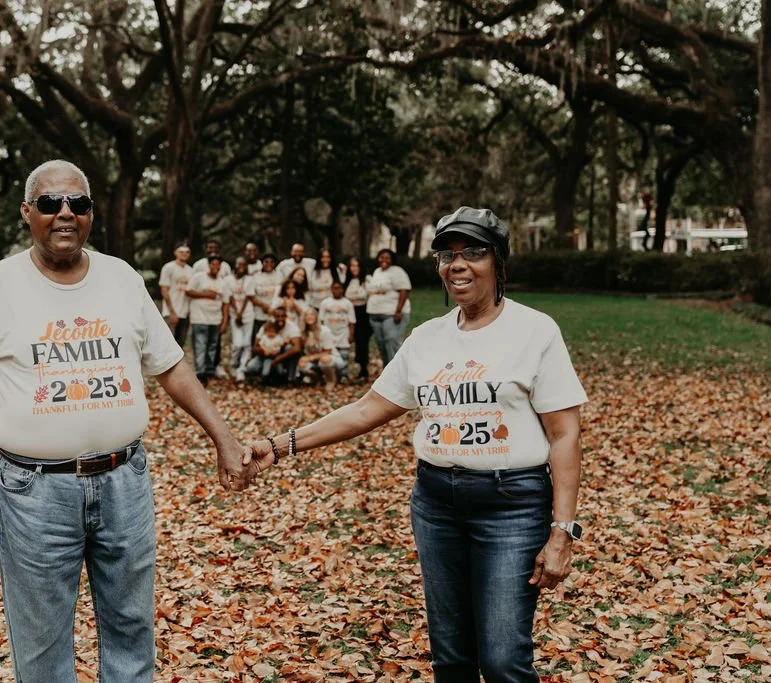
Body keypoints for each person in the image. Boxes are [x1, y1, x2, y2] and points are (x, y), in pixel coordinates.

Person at [0, 160, 252, 683]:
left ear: (90, 214)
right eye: (50, 203)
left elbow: (170, 365)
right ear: (27, 213)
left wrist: (223, 436)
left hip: (124, 483)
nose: (65, 214)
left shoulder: (121, 278)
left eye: (78, 205)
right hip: (34, 492)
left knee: (131, 632)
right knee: (41, 647)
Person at [246, 206, 587, 683]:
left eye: (473, 251)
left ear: (499, 262)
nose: (458, 264)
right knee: (451, 660)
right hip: (436, 505)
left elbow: (565, 433)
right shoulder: (427, 339)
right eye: (447, 255)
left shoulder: (535, 331)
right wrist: (280, 444)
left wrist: (561, 532)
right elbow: (367, 408)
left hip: (511, 505)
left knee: (504, 660)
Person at [185, 254, 230, 385]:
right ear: (209, 265)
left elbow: (226, 303)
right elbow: (188, 291)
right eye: (213, 264)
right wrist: (206, 294)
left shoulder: (223, 282)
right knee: (200, 345)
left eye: (218, 265)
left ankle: (209, 371)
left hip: (215, 319)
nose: (215, 267)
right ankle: (200, 373)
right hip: (199, 318)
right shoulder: (199, 277)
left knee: (212, 346)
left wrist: (225, 321)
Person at [366, 248, 411, 367]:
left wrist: (398, 311)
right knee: (381, 343)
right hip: (375, 314)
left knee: (391, 341)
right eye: (381, 257)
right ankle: (387, 371)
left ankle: (400, 370)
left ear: (392, 260)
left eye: (387, 258)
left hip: (391, 314)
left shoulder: (397, 271)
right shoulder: (377, 271)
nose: (384, 260)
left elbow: (404, 290)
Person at [243, 306, 302, 386]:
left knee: (289, 348)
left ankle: (290, 378)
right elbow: (255, 347)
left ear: (286, 316)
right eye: (277, 316)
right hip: (264, 355)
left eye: (282, 316)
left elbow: (297, 348)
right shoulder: (267, 326)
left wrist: (277, 359)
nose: (280, 319)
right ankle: (260, 378)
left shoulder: (292, 327)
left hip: (281, 356)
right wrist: (264, 351)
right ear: (273, 317)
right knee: (251, 368)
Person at [318, 279, 355, 380]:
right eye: (334, 288)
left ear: (342, 290)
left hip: (343, 333)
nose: (337, 291)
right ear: (331, 289)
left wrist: (351, 334)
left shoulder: (347, 303)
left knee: (344, 355)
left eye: (339, 288)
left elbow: (352, 321)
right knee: (330, 355)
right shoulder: (325, 303)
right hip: (329, 334)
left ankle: (343, 375)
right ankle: (331, 375)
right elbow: (320, 320)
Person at [225, 256, 256, 381]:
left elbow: (248, 297)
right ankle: (233, 364)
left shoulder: (249, 279)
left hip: (248, 315)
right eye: (239, 264)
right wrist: (237, 313)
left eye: (244, 264)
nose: (241, 267)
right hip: (234, 316)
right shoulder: (228, 280)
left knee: (247, 344)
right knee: (238, 344)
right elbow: (230, 297)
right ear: (235, 265)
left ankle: (242, 369)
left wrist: (241, 313)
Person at [159, 240, 194, 346]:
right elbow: (164, 289)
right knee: (169, 343)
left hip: (185, 312)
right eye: (181, 251)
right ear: (175, 253)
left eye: (187, 252)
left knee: (181, 342)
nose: (184, 254)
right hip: (171, 312)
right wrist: (172, 312)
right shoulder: (168, 267)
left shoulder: (191, 270)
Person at [297, 307, 341, 390]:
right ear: (303, 318)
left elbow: (327, 352)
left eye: (312, 314)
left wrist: (310, 358)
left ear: (316, 317)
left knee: (324, 359)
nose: (309, 317)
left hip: (331, 357)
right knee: (302, 364)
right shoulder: (302, 333)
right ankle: (318, 380)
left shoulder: (324, 330)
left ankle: (331, 380)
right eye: (306, 315)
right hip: (315, 360)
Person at [344, 257, 372, 382]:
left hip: (363, 313)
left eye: (357, 265)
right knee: (347, 340)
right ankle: (343, 370)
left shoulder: (367, 280)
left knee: (362, 341)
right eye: (352, 266)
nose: (354, 268)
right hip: (348, 313)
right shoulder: (346, 281)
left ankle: (363, 370)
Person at [249, 253, 283, 340]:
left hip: (274, 312)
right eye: (266, 262)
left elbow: (281, 293)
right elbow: (251, 296)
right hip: (259, 313)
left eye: (272, 262)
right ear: (262, 263)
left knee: (273, 338)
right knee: (258, 338)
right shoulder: (255, 276)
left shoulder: (279, 275)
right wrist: (264, 306)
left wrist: (272, 308)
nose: (269, 264)